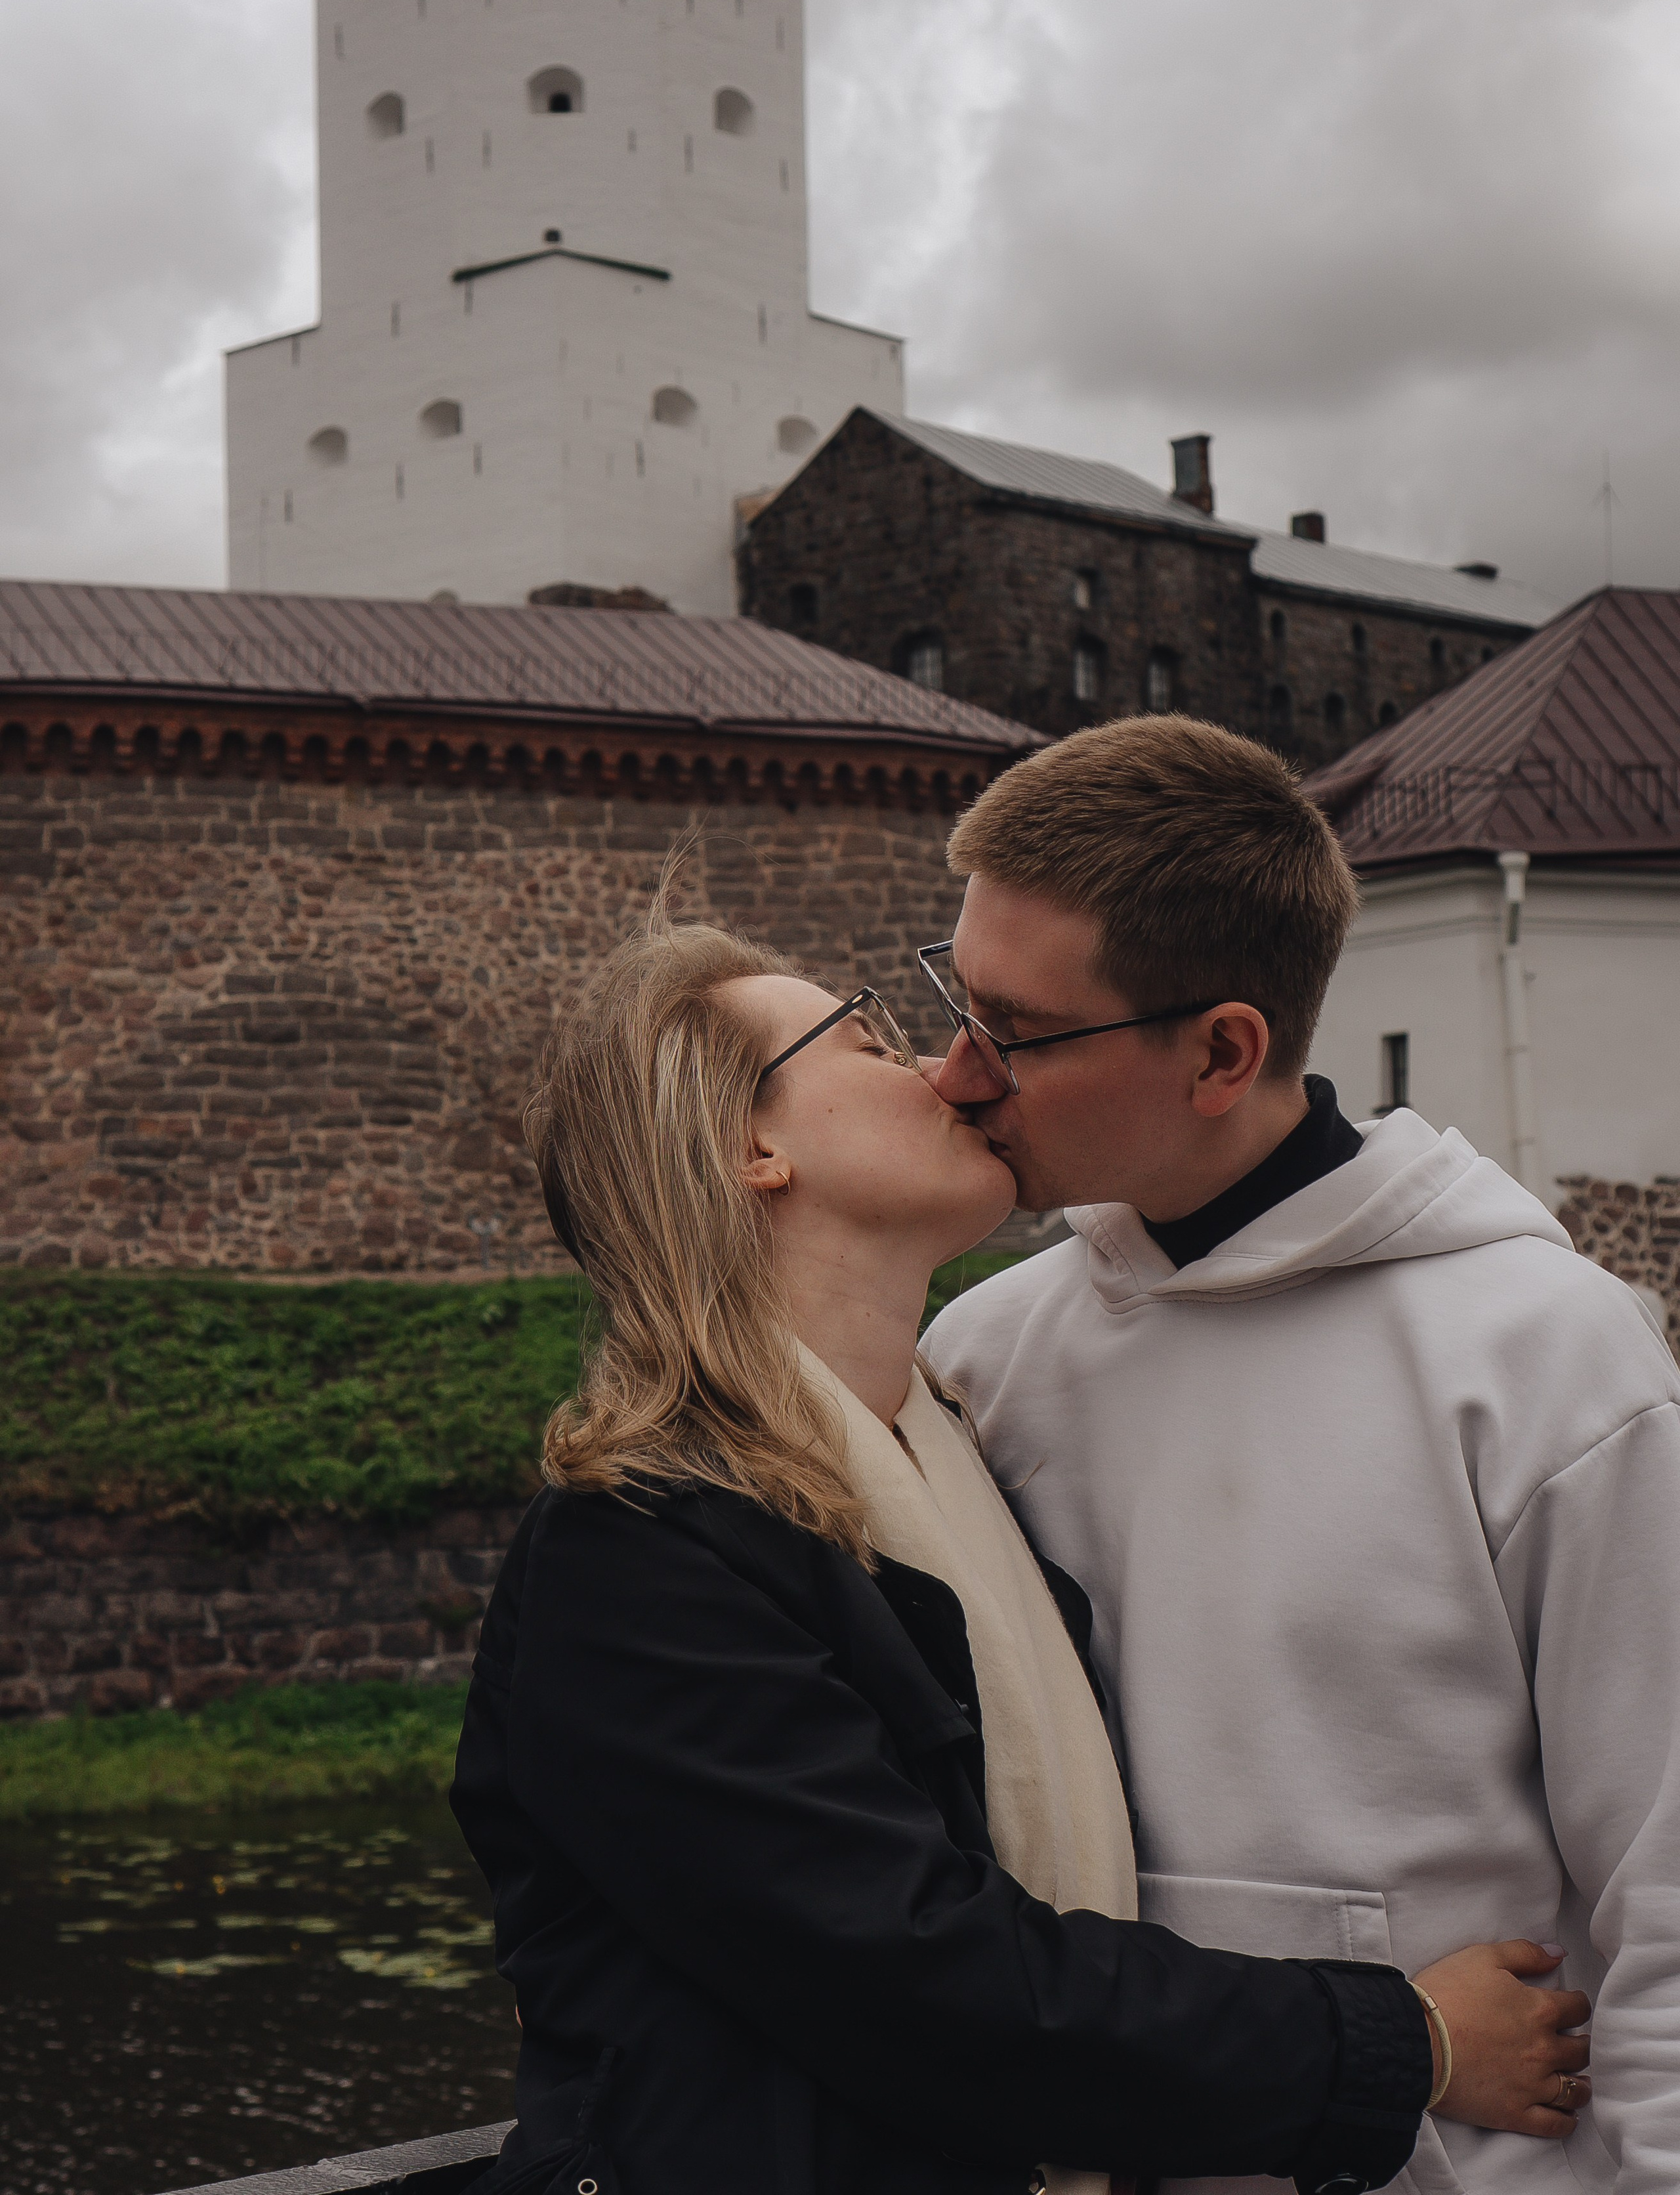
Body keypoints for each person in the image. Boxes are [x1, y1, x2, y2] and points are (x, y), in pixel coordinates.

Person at [451, 904, 1590, 2195]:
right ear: (748, 1147)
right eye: (866, 1041)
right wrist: (1405, 2041)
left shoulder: (962, 1460)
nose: (952, 1068)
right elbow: (932, 1988)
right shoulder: (634, 1555)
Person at [922, 714, 1679, 2194]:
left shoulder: (1547, 1359)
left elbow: (1670, 1877)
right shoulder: (981, 1361)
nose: (955, 1074)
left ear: (1220, 1050)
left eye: (1010, 1032)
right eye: (954, 1001)